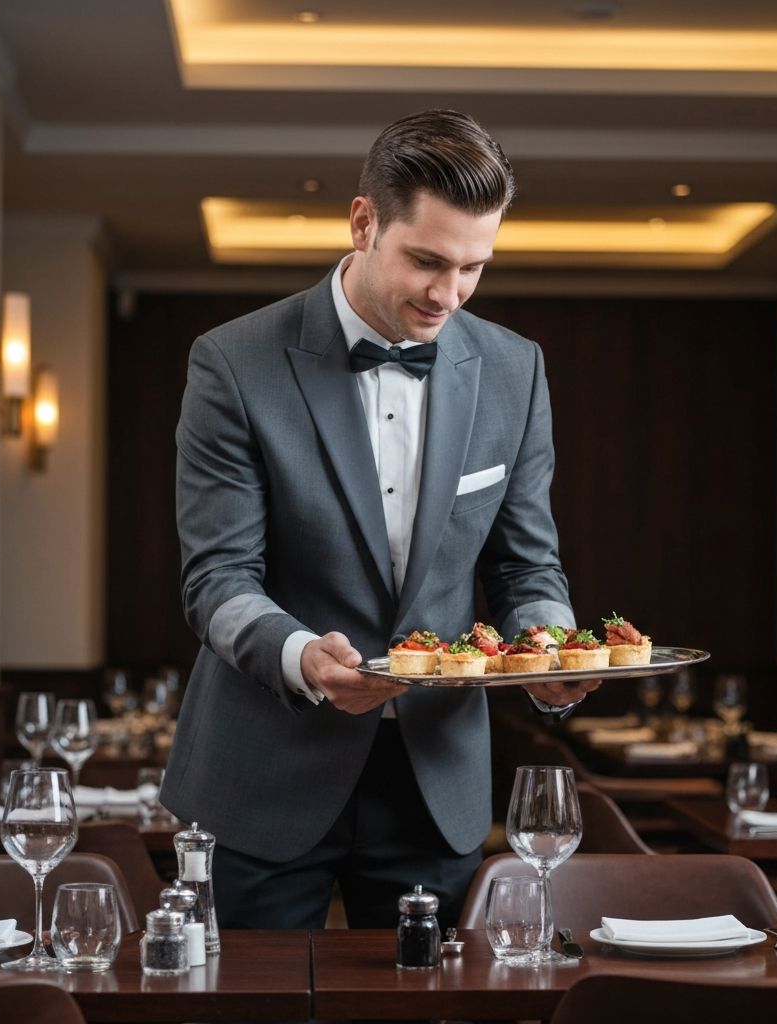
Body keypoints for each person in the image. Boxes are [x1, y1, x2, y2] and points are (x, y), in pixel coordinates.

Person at [161, 109, 599, 930]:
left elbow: (525, 567)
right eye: (427, 261)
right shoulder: (233, 362)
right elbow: (217, 577)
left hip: (435, 779)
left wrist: (550, 644)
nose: (449, 294)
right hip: (263, 768)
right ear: (363, 223)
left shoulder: (515, 369)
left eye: (474, 268)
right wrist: (303, 657)